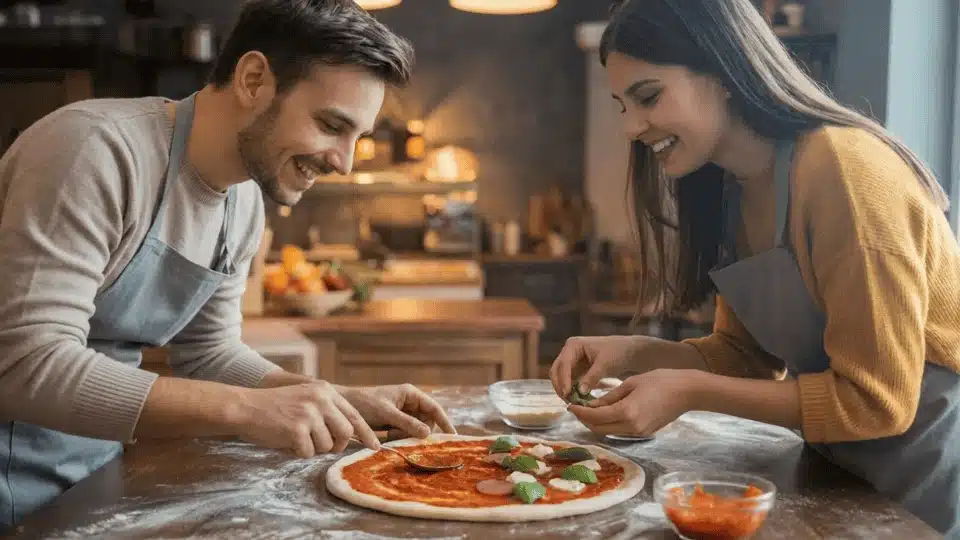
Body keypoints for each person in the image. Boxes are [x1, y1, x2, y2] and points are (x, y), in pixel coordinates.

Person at [0, 0, 456, 528]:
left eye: (358, 137)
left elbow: (209, 354)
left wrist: (338, 402)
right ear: (254, 79)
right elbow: (24, 364)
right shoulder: (95, 151)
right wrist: (244, 411)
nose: (344, 161)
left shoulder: (242, 203)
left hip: (87, 480)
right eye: (332, 124)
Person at [549, 0, 960, 536]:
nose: (630, 128)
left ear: (723, 71)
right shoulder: (732, 188)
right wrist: (630, 354)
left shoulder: (848, 169)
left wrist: (689, 391)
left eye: (647, 97)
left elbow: (877, 403)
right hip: (843, 472)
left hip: (929, 472)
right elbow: (745, 360)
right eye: (620, 106)